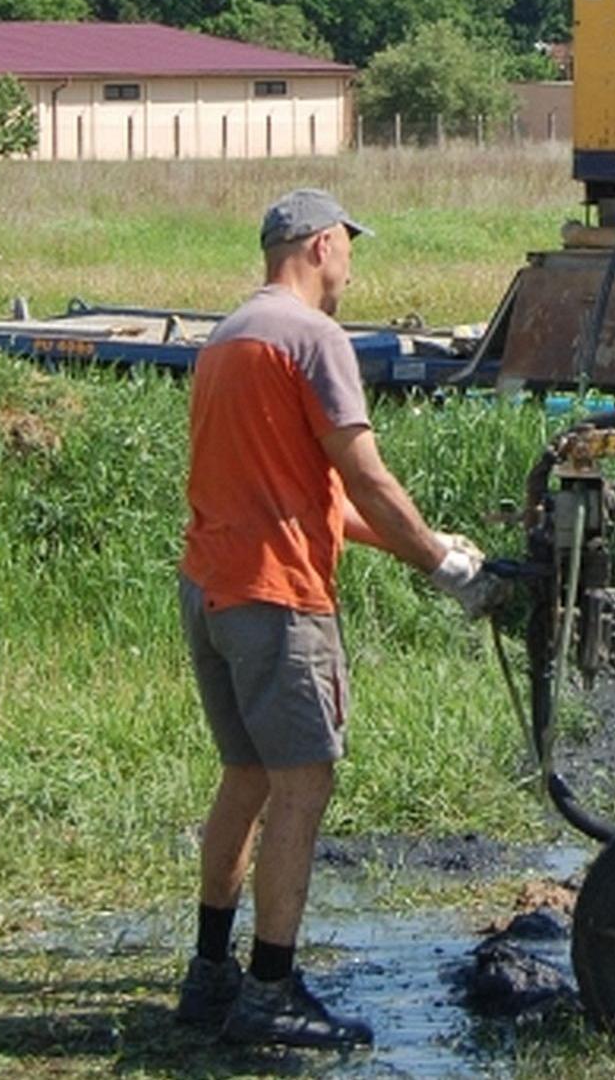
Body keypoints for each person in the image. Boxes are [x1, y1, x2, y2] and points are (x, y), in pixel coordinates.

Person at [173, 188, 493, 1048]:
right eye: (348, 249)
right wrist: (444, 565)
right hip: (277, 600)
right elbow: (366, 478)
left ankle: (210, 977)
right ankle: (270, 990)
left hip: (211, 589)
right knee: (302, 785)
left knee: (246, 776)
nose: (351, 265)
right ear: (320, 245)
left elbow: (303, 497)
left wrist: (423, 542)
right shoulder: (316, 339)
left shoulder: (231, 334)